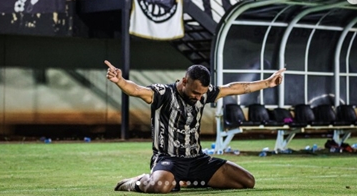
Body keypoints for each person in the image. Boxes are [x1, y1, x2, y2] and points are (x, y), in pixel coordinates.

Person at [105, 60, 286, 193]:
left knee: (247, 181)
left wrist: (267, 83)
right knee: (159, 187)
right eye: (195, 92)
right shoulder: (164, 93)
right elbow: (137, 90)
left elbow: (234, 88)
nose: (199, 97)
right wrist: (120, 81)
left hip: (197, 160)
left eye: (203, 94)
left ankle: (182, 183)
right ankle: (138, 181)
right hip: (169, 159)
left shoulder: (203, 94)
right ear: (185, 81)